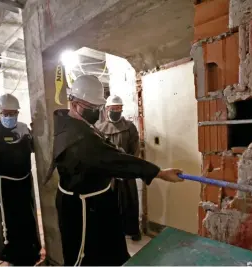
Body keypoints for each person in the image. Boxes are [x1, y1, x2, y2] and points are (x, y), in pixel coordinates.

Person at [50, 74, 184, 266]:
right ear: (74, 103)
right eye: (92, 108)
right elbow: (114, 159)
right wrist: (159, 172)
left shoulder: (74, 123)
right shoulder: (79, 139)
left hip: (98, 198)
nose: (97, 112)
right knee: (88, 255)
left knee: (110, 247)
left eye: (98, 107)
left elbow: (113, 153)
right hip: (84, 207)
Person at [0, 94, 45, 266]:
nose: (9, 117)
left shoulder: (22, 129)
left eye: (13, 113)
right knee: (7, 222)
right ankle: (11, 255)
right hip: (2, 186)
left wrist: (38, 132)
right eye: (6, 113)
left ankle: (31, 251)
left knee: (27, 218)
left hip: (24, 183)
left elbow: (33, 147)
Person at [95, 95, 142, 241]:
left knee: (130, 202)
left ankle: (133, 230)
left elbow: (135, 148)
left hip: (127, 171)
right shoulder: (99, 128)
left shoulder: (129, 127)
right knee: (111, 203)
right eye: (113, 108)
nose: (116, 110)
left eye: (119, 108)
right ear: (107, 109)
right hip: (109, 174)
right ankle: (114, 232)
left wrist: (129, 166)